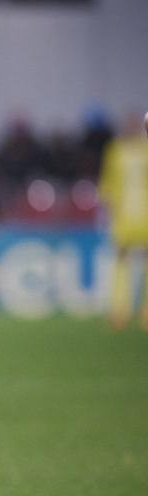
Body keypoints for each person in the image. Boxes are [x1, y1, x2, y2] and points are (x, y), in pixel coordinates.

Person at [98, 111, 148, 331]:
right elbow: (107, 181)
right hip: (123, 216)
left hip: (145, 213)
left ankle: (145, 312)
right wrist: (108, 205)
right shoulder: (115, 150)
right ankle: (120, 311)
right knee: (121, 259)